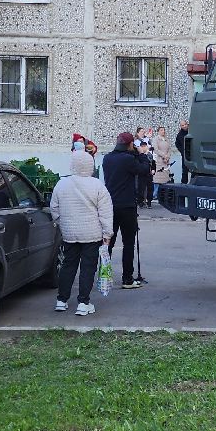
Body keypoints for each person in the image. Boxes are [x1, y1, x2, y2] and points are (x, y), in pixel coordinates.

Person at [49, 150, 113, 317]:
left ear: (72, 165)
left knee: (68, 265)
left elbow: (54, 208)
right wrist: (107, 234)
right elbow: (105, 212)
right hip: (92, 234)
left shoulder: (61, 184)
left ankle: (61, 301)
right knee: (88, 268)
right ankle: (83, 303)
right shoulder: (97, 185)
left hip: (69, 234)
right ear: (90, 166)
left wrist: (61, 223)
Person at [102, 130, 153, 289]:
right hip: (127, 207)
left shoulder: (107, 158)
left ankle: (105, 277)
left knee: (108, 244)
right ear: (130, 144)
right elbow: (144, 170)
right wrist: (141, 153)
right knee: (128, 243)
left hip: (110, 206)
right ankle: (127, 279)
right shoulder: (128, 159)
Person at [151, 126, 173, 198]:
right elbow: (156, 149)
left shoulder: (166, 139)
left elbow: (169, 149)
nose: (163, 131)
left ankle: (162, 194)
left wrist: (167, 157)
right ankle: (155, 194)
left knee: (165, 178)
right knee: (158, 178)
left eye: (164, 130)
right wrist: (164, 156)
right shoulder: (155, 139)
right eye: (161, 130)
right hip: (159, 160)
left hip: (166, 161)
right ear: (158, 131)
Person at [174, 119, 189, 185]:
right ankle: (183, 185)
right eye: (183, 125)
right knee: (185, 171)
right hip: (185, 155)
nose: (184, 126)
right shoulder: (180, 134)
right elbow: (177, 144)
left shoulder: (192, 131)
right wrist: (182, 151)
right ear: (181, 126)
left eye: (185, 124)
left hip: (194, 154)